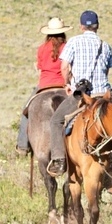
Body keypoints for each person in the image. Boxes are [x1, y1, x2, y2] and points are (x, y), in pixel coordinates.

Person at [52, 9, 112, 142]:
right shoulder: (106, 45)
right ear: (97, 26)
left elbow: (64, 67)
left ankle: (59, 159)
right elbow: (106, 71)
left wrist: (67, 84)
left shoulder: (74, 42)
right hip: (103, 92)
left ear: (81, 26)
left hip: (82, 95)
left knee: (56, 121)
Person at [18, 17, 67, 154]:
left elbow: (40, 68)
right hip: (63, 85)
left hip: (44, 85)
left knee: (26, 110)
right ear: (63, 33)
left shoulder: (42, 48)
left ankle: (22, 144)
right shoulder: (67, 47)